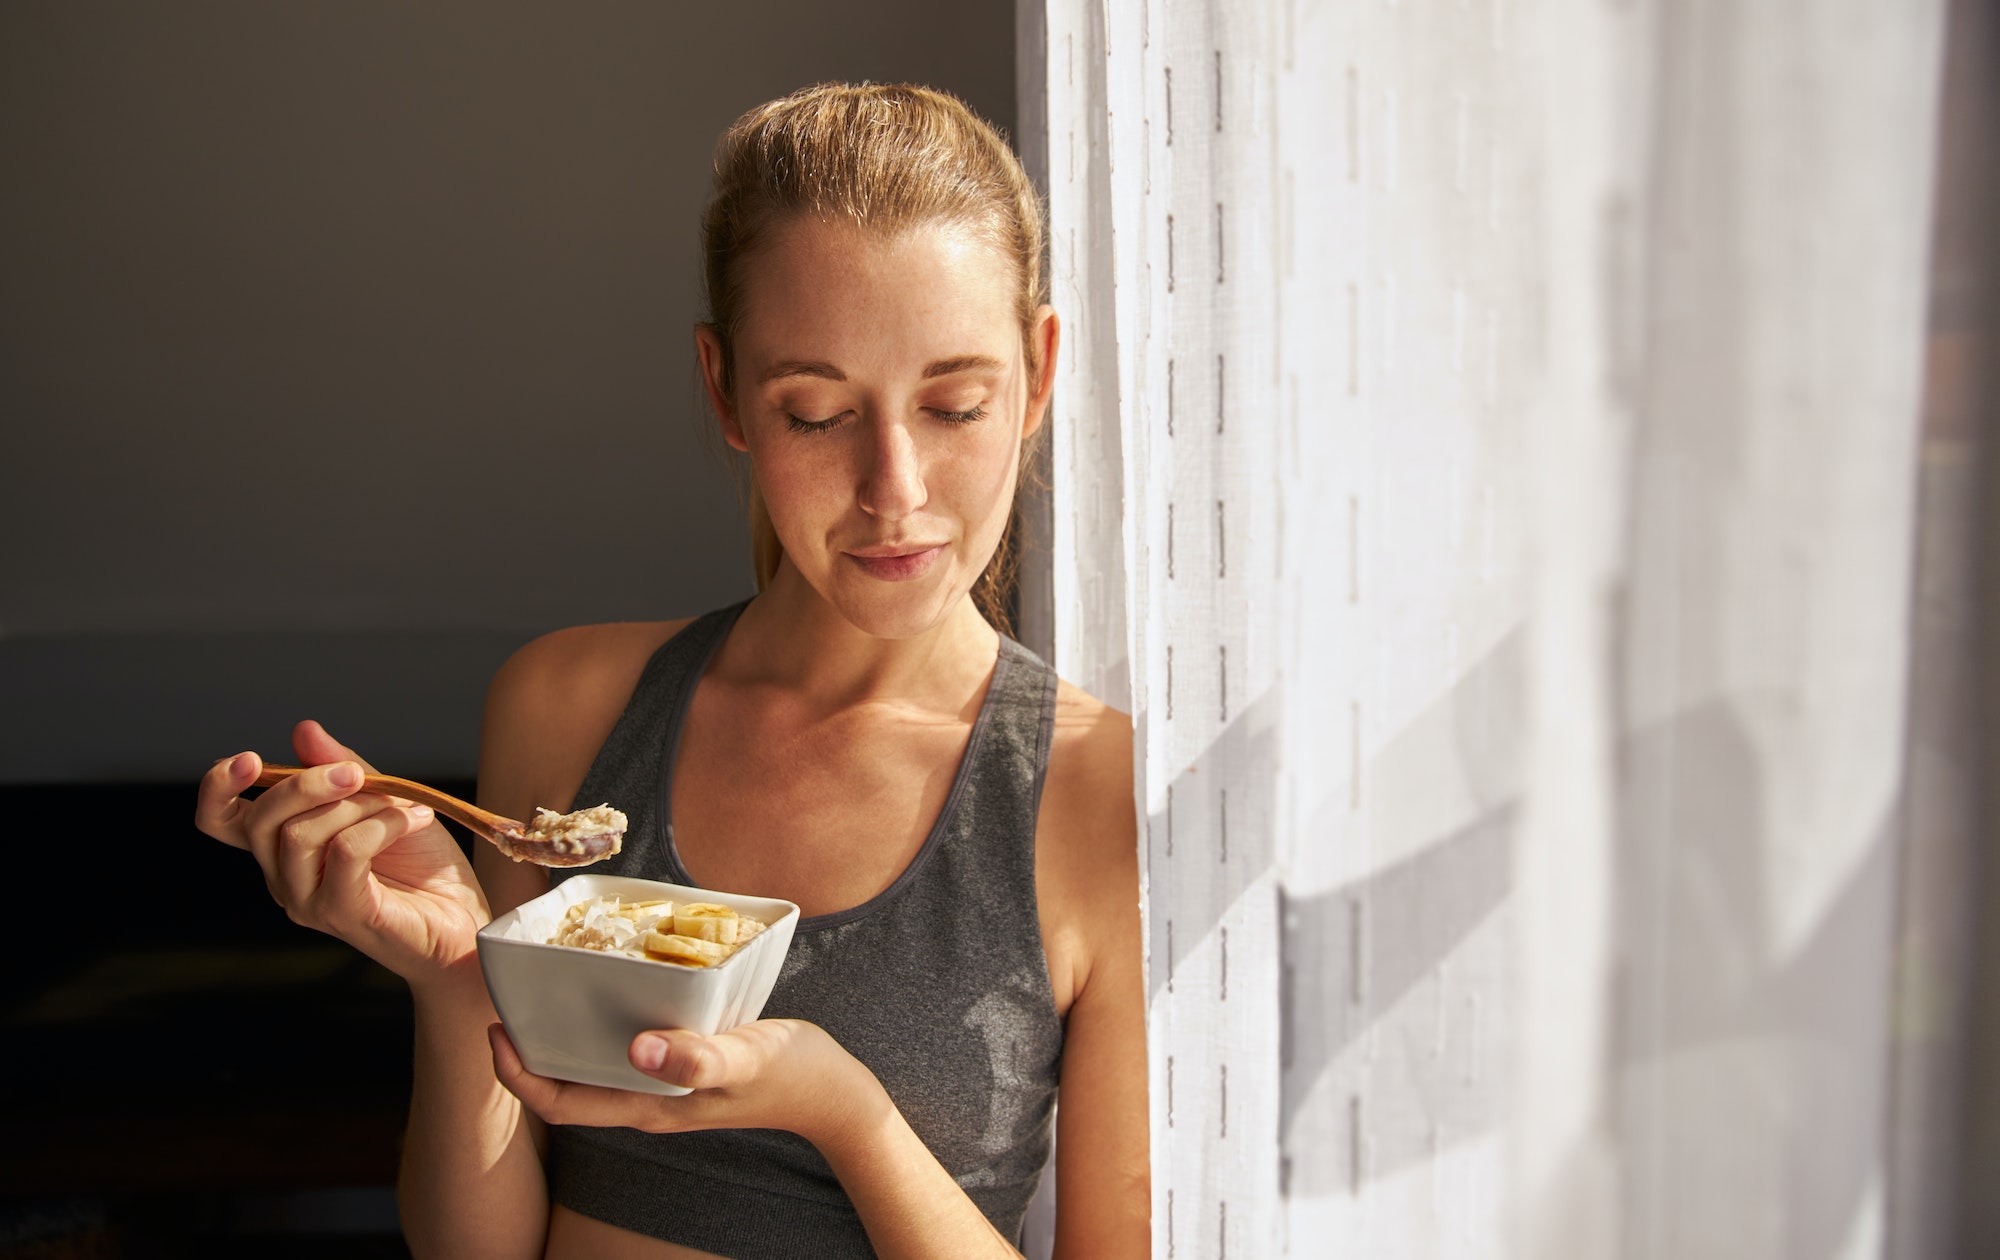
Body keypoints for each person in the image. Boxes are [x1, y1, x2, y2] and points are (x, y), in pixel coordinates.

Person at [194, 83, 1149, 1260]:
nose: (893, 488)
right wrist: (453, 979)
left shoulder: (1098, 791)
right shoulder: (569, 705)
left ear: (1038, 374)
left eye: (955, 405)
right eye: (813, 414)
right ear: (725, 392)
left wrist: (842, 1115)